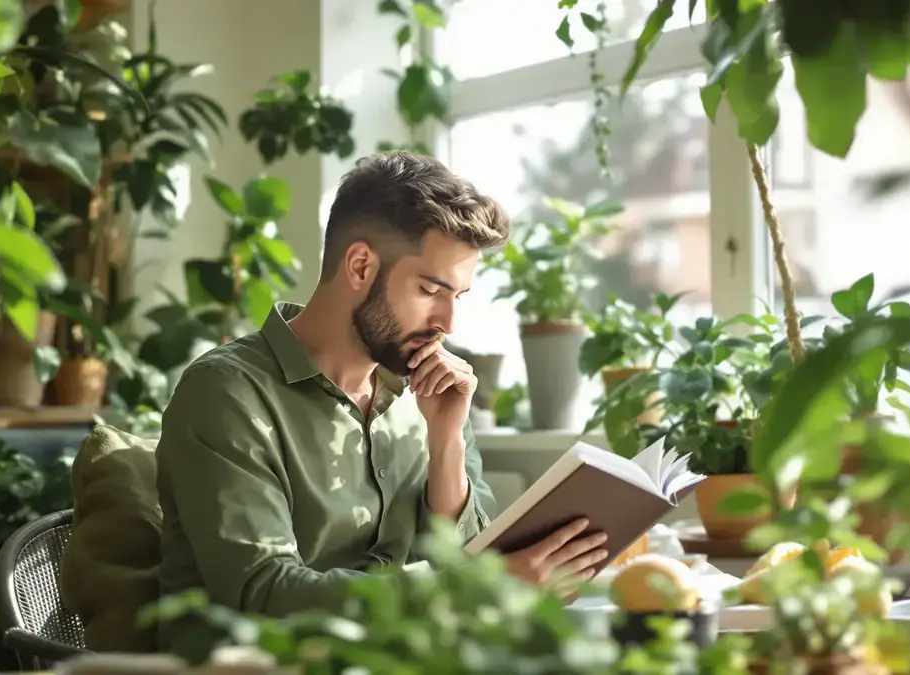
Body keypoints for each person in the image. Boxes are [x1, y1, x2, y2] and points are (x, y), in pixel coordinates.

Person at [155, 151, 609, 637]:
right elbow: (262, 595)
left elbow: (476, 564)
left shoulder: (429, 391)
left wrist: (447, 440)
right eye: (430, 290)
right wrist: (470, 588)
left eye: (458, 296)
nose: (448, 324)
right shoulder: (227, 393)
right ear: (360, 266)